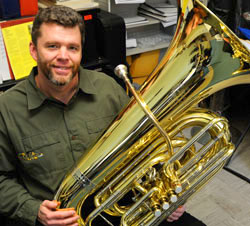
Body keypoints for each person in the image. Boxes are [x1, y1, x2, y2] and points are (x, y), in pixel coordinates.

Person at [0, 5, 205, 226]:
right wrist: (34, 210)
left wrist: (166, 189)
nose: (63, 56)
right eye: (52, 46)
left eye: (72, 48)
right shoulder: (7, 108)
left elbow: (145, 148)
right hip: (61, 220)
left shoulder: (108, 88)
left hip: (124, 206)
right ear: (33, 50)